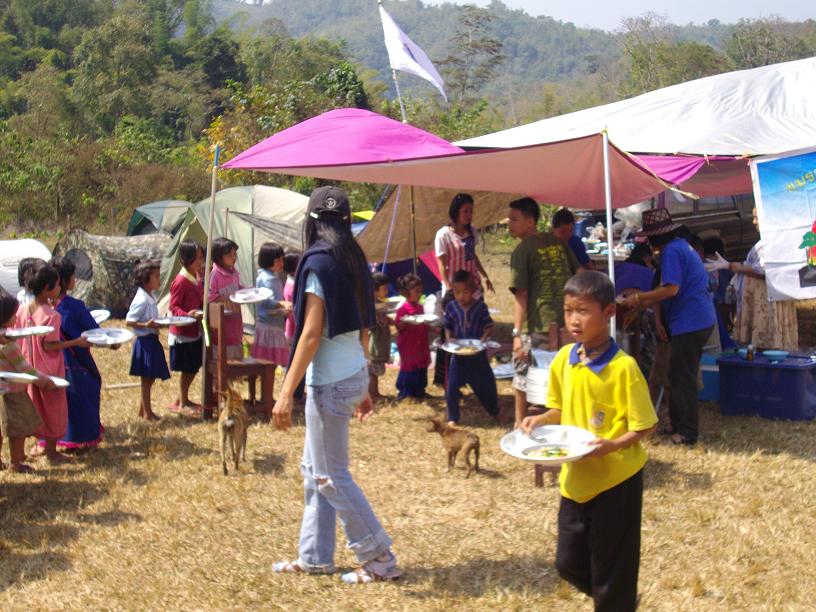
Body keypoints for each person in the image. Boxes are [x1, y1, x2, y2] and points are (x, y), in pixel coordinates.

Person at [271, 185, 401, 584]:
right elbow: (363, 325)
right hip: (349, 374)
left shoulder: (317, 263)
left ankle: (379, 557)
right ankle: (314, 557)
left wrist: (285, 392)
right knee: (315, 469)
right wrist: (360, 383)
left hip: (329, 382)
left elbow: (311, 334)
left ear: (311, 222)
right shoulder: (354, 258)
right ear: (346, 220)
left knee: (330, 475)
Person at [522, 271, 657, 611]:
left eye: (583, 311)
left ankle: (616, 601)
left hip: (617, 481)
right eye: (568, 311)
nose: (574, 320)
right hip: (576, 480)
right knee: (567, 563)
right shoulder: (564, 360)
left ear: (608, 312)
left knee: (613, 567)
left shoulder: (624, 368)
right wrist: (541, 419)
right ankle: (618, 600)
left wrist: (611, 446)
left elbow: (645, 426)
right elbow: (558, 408)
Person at [620, 209, 715, 446]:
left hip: (690, 321)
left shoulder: (671, 251)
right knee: (676, 374)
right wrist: (643, 303)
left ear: (654, 237)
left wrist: (638, 298)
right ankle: (675, 424)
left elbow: (671, 289)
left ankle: (687, 434)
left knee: (683, 378)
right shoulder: (681, 246)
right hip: (697, 318)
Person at [508, 197, 580, 429]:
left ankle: (520, 423)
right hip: (565, 323)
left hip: (538, 322)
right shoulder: (559, 243)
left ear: (530, 221)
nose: (509, 224)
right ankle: (562, 421)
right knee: (562, 374)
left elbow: (522, 294)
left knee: (523, 372)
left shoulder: (522, 250)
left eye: (514, 219)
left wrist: (517, 334)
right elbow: (580, 273)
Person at [17, 261, 89, 463]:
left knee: (34, 408)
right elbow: (50, 345)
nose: (59, 288)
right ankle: (51, 451)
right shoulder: (51, 315)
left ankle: (29, 449)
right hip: (49, 370)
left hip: (28, 368)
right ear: (46, 289)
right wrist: (76, 342)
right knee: (53, 410)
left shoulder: (23, 310)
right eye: (57, 285)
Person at [51, 256, 105, 450]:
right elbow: (95, 332)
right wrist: (111, 343)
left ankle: (52, 438)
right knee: (82, 398)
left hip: (50, 364)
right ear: (65, 280)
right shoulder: (74, 307)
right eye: (73, 276)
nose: (75, 279)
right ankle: (79, 438)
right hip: (76, 363)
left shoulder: (43, 308)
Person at [727, 208, 798, 352]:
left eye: (757, 218)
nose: (754, 222)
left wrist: (741, 268)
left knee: (767, 341)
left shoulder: (774, 242)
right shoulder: (768, 240)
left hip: (767, 300)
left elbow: (765, 268)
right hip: (763, 298)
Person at [0, 290, 50, 473]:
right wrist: (44, 380)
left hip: (3, 390)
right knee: (17, 430)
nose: (16, 318)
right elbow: (25, 368)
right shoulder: (8, 344)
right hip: (13, 391)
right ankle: (16, 462)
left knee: (4, 429)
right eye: (13, 315)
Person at [443, 270, 498, 424]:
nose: (461, 296)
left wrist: (483, 339)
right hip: (458, 356)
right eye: (457, 292)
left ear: (473, 290)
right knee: (451, 387)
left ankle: (494, 412)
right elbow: (447, 325)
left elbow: (489, 325)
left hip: (478, 357)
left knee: (487, 385)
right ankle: (453, 418)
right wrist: (449, 338)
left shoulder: (480, 307)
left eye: (465, 292)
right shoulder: (451, 307)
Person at [126, 260, 170, 421]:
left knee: (150, 377)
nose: (159, 279)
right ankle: (147, 413)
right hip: (145, 342)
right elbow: (129, 320)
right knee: (147, 379)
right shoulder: (141, 299)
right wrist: (145, 325)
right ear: (145, 279)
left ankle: (142, 410)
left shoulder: (150, 296)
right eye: (156, 276)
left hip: (152, 339)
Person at [250, 242, 292, 402]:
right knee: (268, 364)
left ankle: (266, 397)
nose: (282, 263)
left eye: (282, 260)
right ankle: (265, 398)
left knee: (271, 365)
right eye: (278, 260)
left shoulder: (274, 278)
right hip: (268, 328)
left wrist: (282, 309)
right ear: (269, 261)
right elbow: (265, 302)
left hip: (275, 325)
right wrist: (281, 304)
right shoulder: (265, 279)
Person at [168, 240, 205, 415]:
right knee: (187, 369)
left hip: (194, 330)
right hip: (183, 332)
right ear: (187, 259)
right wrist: (187, 314)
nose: (200, 261)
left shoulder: (196, 277)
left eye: (201, 257)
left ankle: (181, 399)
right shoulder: (180, 281)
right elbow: (173, 306)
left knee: (193, 367)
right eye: (197, 258)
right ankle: (183, 402)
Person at [434, 192, 494, 297]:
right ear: (456, 211)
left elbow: (473, 256)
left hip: (473, 287)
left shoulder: (472, 231)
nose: (469, 215)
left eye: (471, 211)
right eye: (465, 211)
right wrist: (448, 288)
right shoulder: (443, 235)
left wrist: (485, 276)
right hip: (454, 289)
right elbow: (442, 264)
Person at [394, 272, 432, 401]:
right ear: (406, 292)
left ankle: (420, 391)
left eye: (421, 291)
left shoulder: (420, 307)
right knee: (410, 368)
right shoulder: (403, 309)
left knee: (421, 366)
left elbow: (424, 323)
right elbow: (398, 327)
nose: (420, 293)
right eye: (416, 291)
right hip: (408, 344)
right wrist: (407, 320)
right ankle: (406, 393)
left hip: (420, 343)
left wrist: (437, 329)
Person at [208, 237, 245, 360]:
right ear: (219, 258)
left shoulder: (234, 272)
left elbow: (237, 287)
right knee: (224, 357)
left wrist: (247, 290)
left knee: (236, 353)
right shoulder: (215, 275)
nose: (234, 257)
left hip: (236, 319)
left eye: (235, 254)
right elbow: (210, 297)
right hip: (222, 322)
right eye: (230, 255)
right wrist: (228, 297)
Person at [368, 272, 392, 402]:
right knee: (373, 371)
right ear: (375, 289)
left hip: (381, 341)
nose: (387, 291)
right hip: (374, 343)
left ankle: (375, 393)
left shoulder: (380, 304)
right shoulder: (370, 306)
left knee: (375, 370)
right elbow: (369, 325)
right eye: (384, 288)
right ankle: (373, 394)